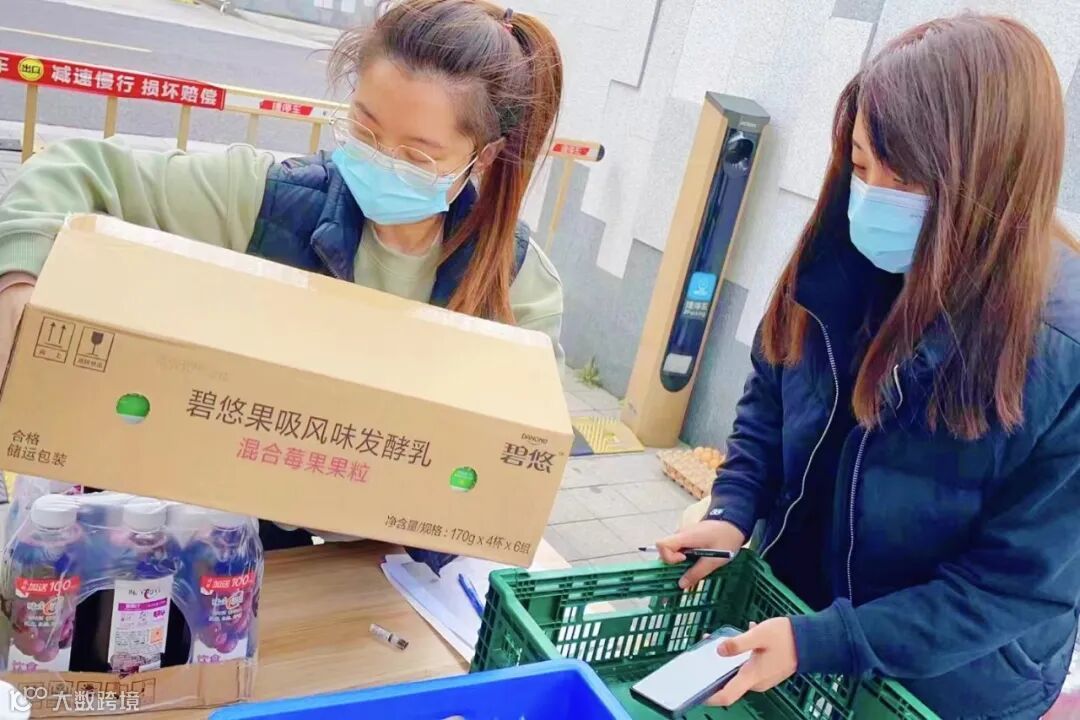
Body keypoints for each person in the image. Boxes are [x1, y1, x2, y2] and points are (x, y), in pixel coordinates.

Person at [0, 0, 565, 569]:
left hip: (394, 570)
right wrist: (18, 279)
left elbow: (513, 464)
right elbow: (76, 170)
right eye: (365, 129)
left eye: (418, 154)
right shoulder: (270, 203)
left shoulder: (517, 287)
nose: (380, 161)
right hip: (235, 544)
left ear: (484, 156)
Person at [656, 15, 1079, 720]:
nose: (872, 196)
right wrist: (734, 508)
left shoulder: (1060, 349)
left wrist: (826, 641)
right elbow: (772, 387)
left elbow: (1013, 587)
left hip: (945, 686)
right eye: (859, 165)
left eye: (904, 177)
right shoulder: (842, 254)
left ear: (990, 183)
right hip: (797, 622)